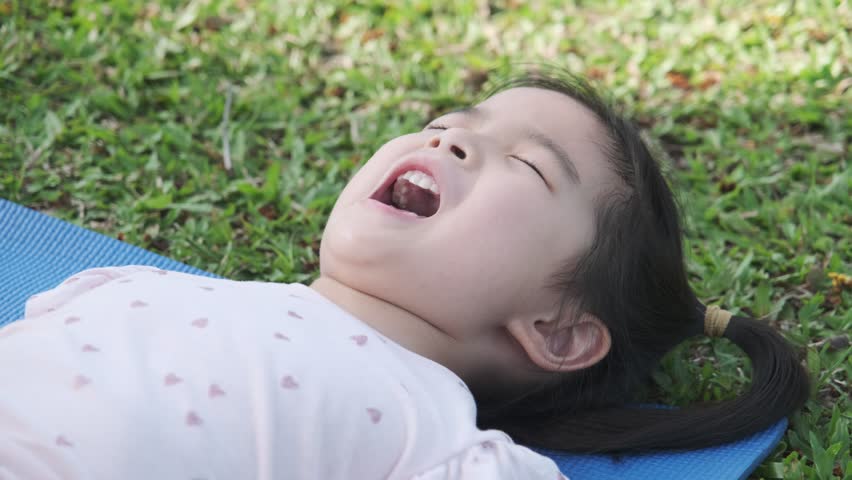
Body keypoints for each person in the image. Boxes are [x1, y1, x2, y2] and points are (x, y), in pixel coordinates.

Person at [0, 68, 809, 479]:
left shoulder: (432, 431)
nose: (450, 140)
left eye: (527, 166)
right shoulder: (134, 285)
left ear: (559, 331)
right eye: (447, 123)